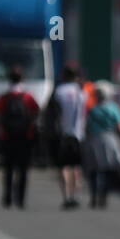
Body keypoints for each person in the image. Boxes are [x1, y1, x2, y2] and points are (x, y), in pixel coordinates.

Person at [0, 65, 39, 208]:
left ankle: (7, 197)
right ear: (22, 78)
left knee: (8, 168)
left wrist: (1, 125)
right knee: (23, 169)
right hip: (25, 136)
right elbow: (36, 111)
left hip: (7, 136)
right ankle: (21, 198)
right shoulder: (27, 96)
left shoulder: (4, 96)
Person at [83, 82, 120, 208]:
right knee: (107, 170)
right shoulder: (115, 108)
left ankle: (93, 197)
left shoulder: (93, 109)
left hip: (94, 141)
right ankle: (103, 197)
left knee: (93, 170)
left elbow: (86, 127)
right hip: (110, 140)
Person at [48, 64, 86, 208]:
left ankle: (66, 196)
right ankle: (74, 194)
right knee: (75, 165)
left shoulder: (59, 92)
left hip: (62, 134)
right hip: (78, 133)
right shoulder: (81, 92)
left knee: (63, 166)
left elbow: (53, 115)